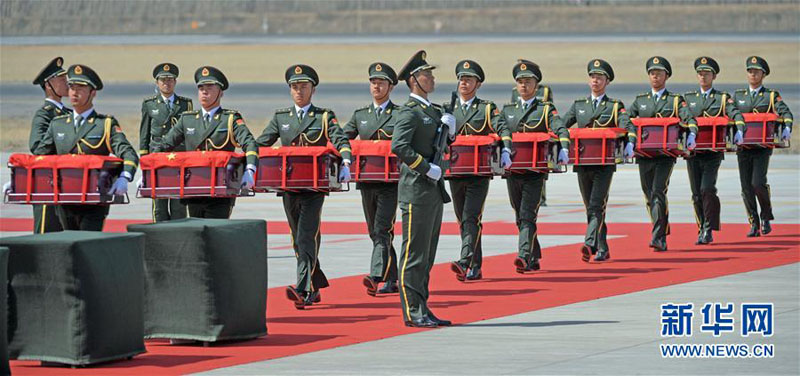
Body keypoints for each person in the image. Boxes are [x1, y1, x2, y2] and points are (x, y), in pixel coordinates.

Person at [257, 64, 353, 309]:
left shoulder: (323, 116)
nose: (299, 91)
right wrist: (248, 157)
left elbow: (339, 138)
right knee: (297, 239)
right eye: (295, 87)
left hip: (313, 188)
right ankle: (315, 282)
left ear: (313, 89)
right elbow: (262, 142)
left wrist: (346, 160)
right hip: (288, 186)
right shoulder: (281, 118)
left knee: (306, 236)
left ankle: (303, 288)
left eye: (304, 86)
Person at [33, 64, 138, 231]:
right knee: (68, 247)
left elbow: (129, 153)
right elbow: (40, 156)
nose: (74, 92)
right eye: (71, 87)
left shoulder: (104, 124)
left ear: (93, 92)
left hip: (94, 201)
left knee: (88, 247)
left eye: (81, 88)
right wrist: (22, 178)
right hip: (64, 199)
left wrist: (124, 177)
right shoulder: (57, 125)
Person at [391, 50, 454, 328]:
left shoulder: (433, 110)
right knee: (414, 253)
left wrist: (451, 132)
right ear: (414, 79)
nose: (432, 78)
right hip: (416, 190)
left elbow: (438, 145)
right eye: (427, 74)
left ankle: (423, 307)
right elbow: (399, 147)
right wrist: (425, 168)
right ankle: (412, 310)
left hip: (433, 191)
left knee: (427, 254)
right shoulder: (409, 113)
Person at [558, 59, 637, 262]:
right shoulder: (579, 105)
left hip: (604, 164)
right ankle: (603, 247)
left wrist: (630, 142)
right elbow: (562, 125)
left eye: (599, 77)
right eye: (593, 76)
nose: (595, 80)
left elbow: (627, 125)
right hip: (582, 162)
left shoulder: (614, 106)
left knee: (595, 205)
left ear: (607, 81)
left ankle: (589, 243)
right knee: (591, 207)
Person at [156, 66, 258, 218]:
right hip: (193, 188)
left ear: (221, 92)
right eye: (201, 87)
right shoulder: (187, 119)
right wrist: (148, 166)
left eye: (210, 87)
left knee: (215, 235)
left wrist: (250, 169)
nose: (204, 91)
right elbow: (164, 145)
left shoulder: (230, 119)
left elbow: (249, 143)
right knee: (197, 235)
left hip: (221, 189)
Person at [497, 60, 569, 271]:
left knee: (528, 214)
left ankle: (523, 256)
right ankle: (534, 254)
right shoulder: (508, 110)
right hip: (513, 170)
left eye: (528, 82)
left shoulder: (545, 109)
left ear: (536, 86)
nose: (523, 86)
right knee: (520, 215)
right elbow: (499, 130)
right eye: (520, 82)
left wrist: (564, 147)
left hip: (535, 171)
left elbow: (561, 128)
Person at [342, 62, 401, 296]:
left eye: (381, 82)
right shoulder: (361, 115)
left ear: (391, 87)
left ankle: (376, 275)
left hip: (390, 182)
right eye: (373, 82)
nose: (376, 86)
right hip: (366, 180)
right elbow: (343, 138)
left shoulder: (399, 114)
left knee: (382, 228)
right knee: (376, 232)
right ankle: (393, 278)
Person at [627, 56, 698, 252]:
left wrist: (691, 133)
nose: (655, 76)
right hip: (644, 155)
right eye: (652, 73)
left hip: (666, 156)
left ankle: (658, 236)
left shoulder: (675, 101)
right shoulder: (641, 101)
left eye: (659, 73)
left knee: (658, 191)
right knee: (649, 195)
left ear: (666, 76)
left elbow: (689, 118)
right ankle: (662, 228)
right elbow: (627, 120)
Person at [446, 59, 507, 281]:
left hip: (479, 172)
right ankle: (475, 265)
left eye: (468, 79)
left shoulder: (487, 108)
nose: (463, 82)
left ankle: (465, 261)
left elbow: (502, 128)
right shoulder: (448, 108)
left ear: (478, 84)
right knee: (463, 219)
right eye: (461, 78)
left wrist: (505, 148)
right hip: (454, 171)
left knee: (471, 216)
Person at [683, 56, 745, 244]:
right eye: (700, 73)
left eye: (706, 73)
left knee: (707, 189)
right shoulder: (688, 98)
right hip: (693, 153)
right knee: (696, 194)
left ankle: (709, 228)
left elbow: (735, 113)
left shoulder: (722, 98)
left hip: (713, 152)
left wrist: (739, 129)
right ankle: (702, 226)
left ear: (714, 76)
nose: (703, 76)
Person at [732, 56, 793, 237]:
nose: (753, 74)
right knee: (746, 187)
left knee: (758, 183)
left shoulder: (771, 96)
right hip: (744, 147)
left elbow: (785, 112)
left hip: (762, 147)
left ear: (763, 74)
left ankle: (765, 215)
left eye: (756, 71)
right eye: (750, 71)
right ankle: (753, 222)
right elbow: (732, 115)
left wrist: (787, 127)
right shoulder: (738, 96)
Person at [139, 63, 193, 222]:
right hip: (157, 158)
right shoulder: (149, 104)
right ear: (157, 83)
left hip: (179, 158)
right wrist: (144, 161)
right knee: (159, 204)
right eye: (163, 80)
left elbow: (189, 132)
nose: (166, 83)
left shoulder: (185, 104)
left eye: (170, 80)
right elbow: (144, 134)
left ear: (175, 82)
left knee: (179, 204)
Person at [29, 56, 70, 233]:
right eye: (61, 79)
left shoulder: (68, 112)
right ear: (48, 85)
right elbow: (37, 146)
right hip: (48, 184)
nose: (67, 83)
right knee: (47, 235)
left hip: (67, 183)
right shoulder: (44, 115)